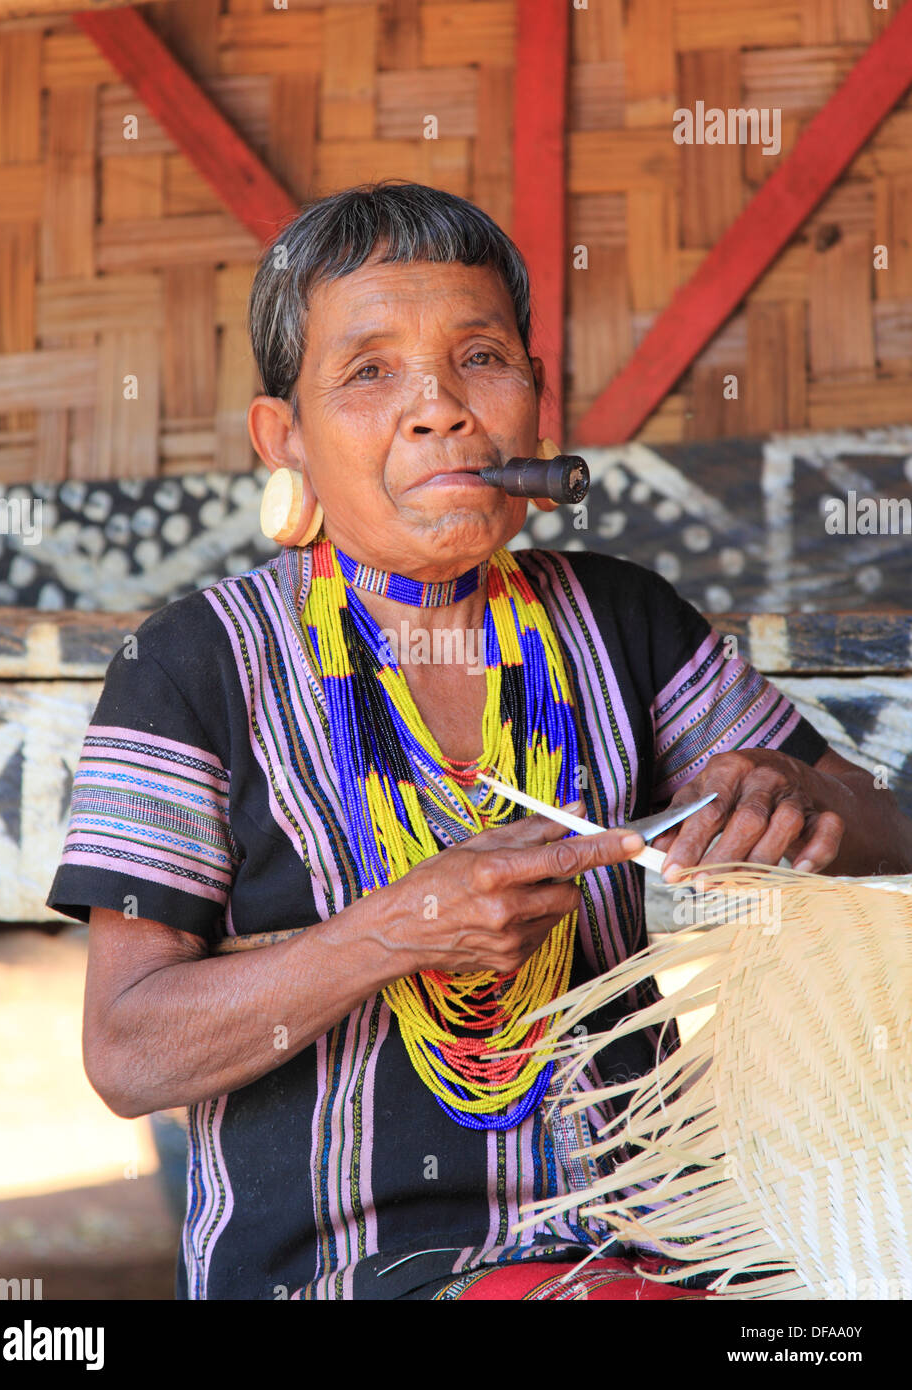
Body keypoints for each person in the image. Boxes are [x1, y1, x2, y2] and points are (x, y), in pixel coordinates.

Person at [46, 181, 912, 1301]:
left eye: (481, 359)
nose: (439, 409)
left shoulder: (618, 620)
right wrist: (388, 936)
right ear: (285, 439)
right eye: (367, 373)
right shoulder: (192, 666)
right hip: (342, 1271)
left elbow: (883, 833)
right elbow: (126, 1052)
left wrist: (795, 797)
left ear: (535, 407)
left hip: (652, 1251)